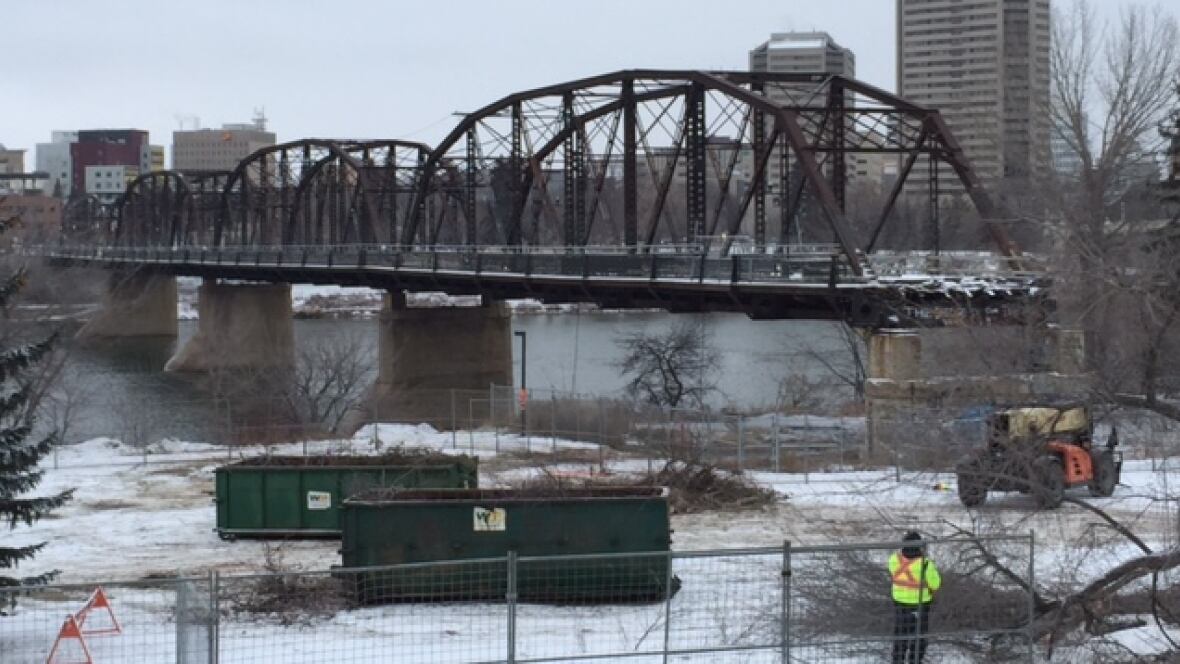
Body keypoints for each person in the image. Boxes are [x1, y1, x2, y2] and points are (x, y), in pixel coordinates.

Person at [889, 531, 941, 664]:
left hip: (899, 603)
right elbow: (935, 584)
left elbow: (892, 572)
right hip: (920, 604)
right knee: (919, 636)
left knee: (900, 635)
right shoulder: (925, 564)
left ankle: (897, 660)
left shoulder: (894, 559)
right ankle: (915, 660)